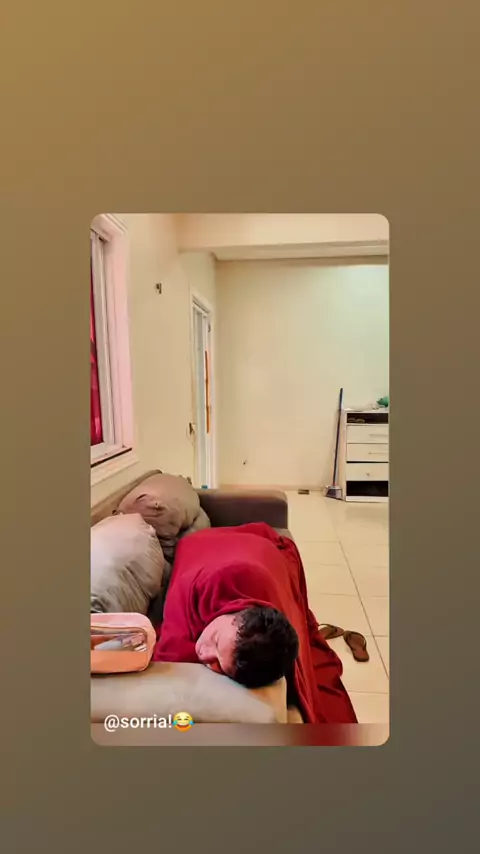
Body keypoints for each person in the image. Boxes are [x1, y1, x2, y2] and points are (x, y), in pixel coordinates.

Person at [153, 521, 357, 724]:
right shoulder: (200, 585)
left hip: (259, 550)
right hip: (210, 545)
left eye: (219, 666)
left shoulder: (268, 611)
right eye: (215, 640)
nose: (203, 653)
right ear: (234, 613)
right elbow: (168, 658)